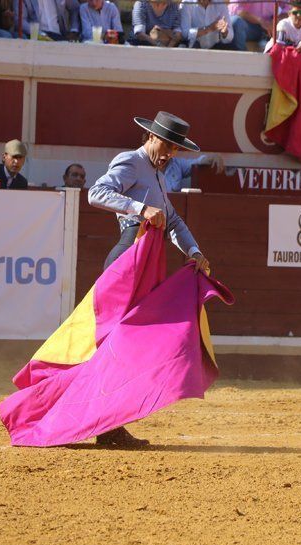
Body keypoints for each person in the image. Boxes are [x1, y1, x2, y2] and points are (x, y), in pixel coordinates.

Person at [88, 111, 210, 447]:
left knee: (131, 344)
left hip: (142, 264)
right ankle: (107, 424)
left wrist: (194, 251)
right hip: (128, 258)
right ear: (151, 137)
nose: (171, 154)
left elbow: (172, 221)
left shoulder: (157, 177)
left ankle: (111, 423)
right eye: (168, 145)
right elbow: (96, 193)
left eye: (176, 149)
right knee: (118, 343)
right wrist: (140, 210)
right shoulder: (131, 161)